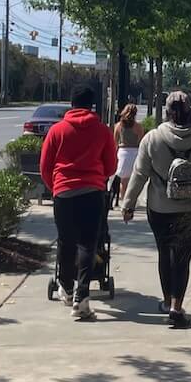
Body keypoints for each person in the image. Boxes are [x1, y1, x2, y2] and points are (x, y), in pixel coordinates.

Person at [121, 90, 191, 328]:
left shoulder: (152, 138)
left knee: (165, 252)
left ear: (167, 112)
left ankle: (165, 301)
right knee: (183, 257)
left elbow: (140, 175)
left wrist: (128, 205)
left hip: (160, 208)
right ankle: (176, 305)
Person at [39, 84, 117, 322]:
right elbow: (112, 166)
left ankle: (66, 285)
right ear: (92, 105)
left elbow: (45, 166)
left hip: (63, 193)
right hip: (92, 193)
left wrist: (56, 188)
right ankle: (81, 298)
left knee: (66, 241)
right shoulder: (102, 131)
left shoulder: (57, 130)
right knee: (87, 244)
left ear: (71, 104)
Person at [113, 102, 144, 205]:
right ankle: (132, 201)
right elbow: (141, 142)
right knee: (133, 181)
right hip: (135, 153)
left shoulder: (118, 126)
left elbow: (115, 142)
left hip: (123, 153)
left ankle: (123, 201)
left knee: (123, 181)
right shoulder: (138, 127)